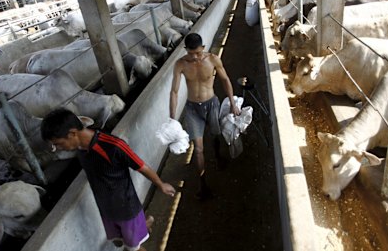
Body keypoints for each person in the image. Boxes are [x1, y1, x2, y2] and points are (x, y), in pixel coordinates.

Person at [41, 109, 176, 251]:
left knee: (133, 248)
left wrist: (160, 184)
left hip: (126, 209)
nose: (58, 148)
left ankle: (142, 227)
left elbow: (141, 167)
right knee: (119, 242)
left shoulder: (113, 146)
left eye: (59, 144)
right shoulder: (80, 149)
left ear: (72, 133)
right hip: (106, 210)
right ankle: (144, 225)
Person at [169, 33, 240, 199]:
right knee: (198, 149)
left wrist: (232, 103)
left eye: (198, 53)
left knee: (215, 134)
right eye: (191, 53)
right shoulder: (180, 64)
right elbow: (174, 91)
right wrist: (172, 118)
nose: (194, 57)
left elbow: (225, 80)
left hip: (212, 104)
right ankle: (203, 184)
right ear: (185, 49)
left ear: (203, 48)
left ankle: (217, 155)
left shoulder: (213, 59)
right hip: (193, 109)